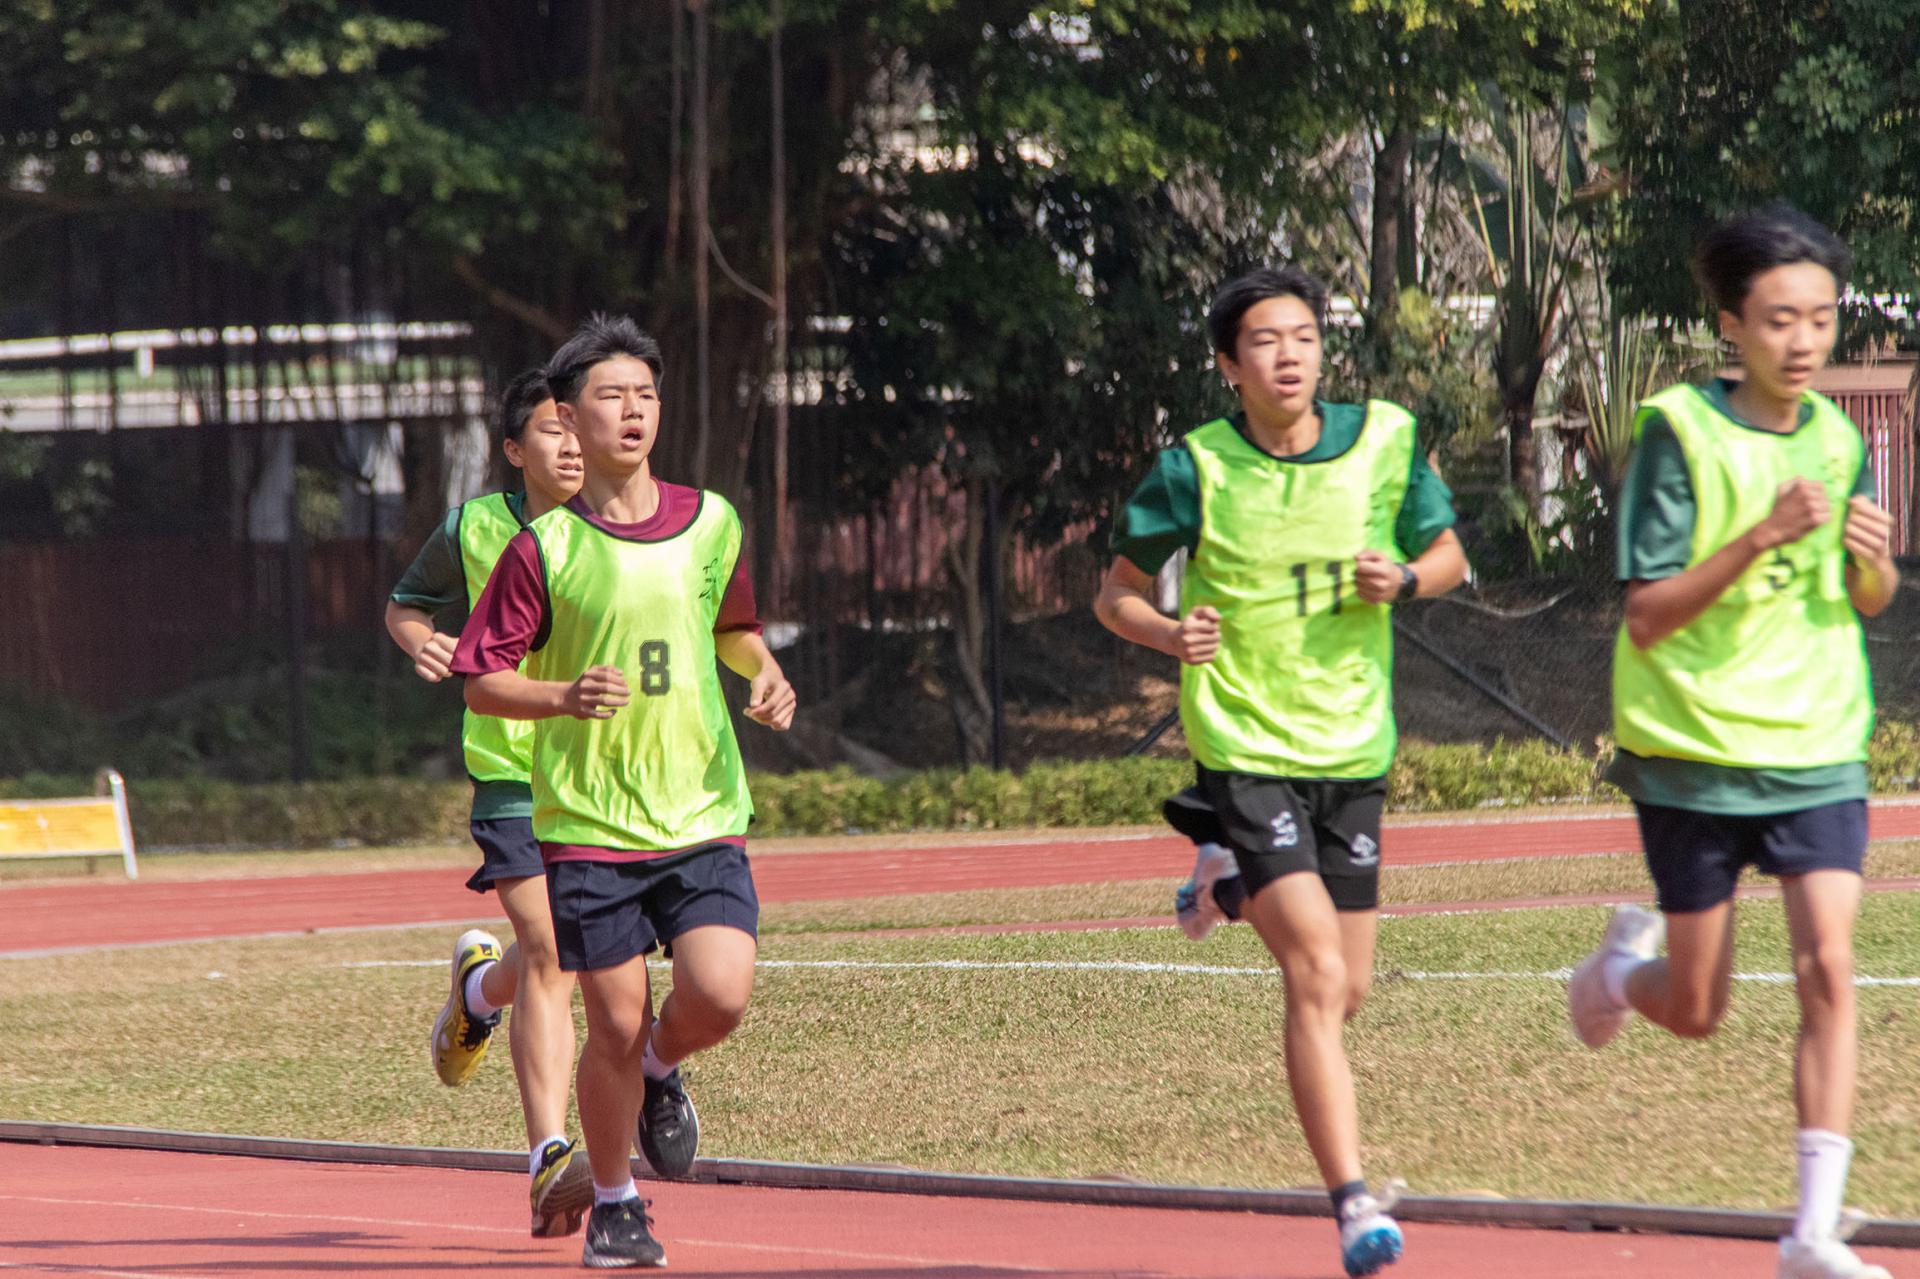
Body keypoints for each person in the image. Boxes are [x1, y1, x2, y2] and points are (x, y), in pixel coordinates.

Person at [1094, 266, 1468, 1278]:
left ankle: (1223, 879)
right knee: (1315, 972)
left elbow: (1449, 555)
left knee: (1350, 988)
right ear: (1230, 364)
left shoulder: (1385, 440)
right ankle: (1354, 1204)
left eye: (1302, 335)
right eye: (1264, 340)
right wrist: (1170, 632)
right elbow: (1114, 594)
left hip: (1352, 745)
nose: (1288, 354)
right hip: (1245, 741)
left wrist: (1406, 576)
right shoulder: (1196, 468)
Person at [1567, 206, 1897, 1279]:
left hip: (1818, 741)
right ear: (1731, 325)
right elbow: (1646, 614)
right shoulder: (1679, 432)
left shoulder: (1839, 437)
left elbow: (1868, 597)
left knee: (1830, 966)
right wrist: (1762, 533)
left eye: (1822, 319)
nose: (1804, 341)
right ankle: (1623, 972)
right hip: (1693, 752)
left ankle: (1812, 1231)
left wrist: (1874, 560)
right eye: (1779, 319)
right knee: (1698, 1009)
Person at [452, 314, 796, 1268]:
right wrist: (561, 694)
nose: (633, 411)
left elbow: (731, 627)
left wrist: (764, 671)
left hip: (702, 808)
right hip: (591, 823)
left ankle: (659, 1067)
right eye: (611, 395)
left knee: (718, 995)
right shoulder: (543, 549)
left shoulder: (711, 520)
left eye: (645, 394)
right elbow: (482, 679)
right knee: (610, 1016)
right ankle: (615, 1202)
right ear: (568, 416)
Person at [386, 368, 591, 1238]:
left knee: (573, 950)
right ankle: (549, 1159)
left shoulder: (624, 529)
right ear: (513, 448)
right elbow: (404, 603)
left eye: (580, 426)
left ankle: (477, 989)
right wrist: (423, 640)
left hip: (601, 778)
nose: (573, 444)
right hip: (510, 772)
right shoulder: (472, 528)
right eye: (552, 429)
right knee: (551, 948)